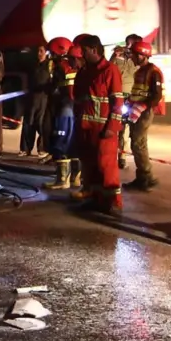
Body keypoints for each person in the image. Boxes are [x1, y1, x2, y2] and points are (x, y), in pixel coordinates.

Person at [73, 34, 125, 213]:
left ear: (94, 49)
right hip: (86, 128)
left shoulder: (110, 71)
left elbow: (117, 102)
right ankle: (96, 199)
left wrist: (112, 128)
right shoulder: (85, 71)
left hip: (103, 129)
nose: (82, 54)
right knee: (90, 166)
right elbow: (79, 99)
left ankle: (113, 203)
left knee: (107, 166)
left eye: (84, 51)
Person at [123, 41, 164, 191]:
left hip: (145, 111)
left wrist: (144, 106)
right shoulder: (139, 71)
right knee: (138, 142)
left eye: (134, 54)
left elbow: (156, 95)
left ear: (142, 55)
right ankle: (143, 177)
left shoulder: (153, 72)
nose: (132, 57)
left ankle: (147, 177)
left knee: (137, 143)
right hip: (136, 109)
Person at [43, 38, 79, 189]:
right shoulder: (77, 67)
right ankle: (75, 178)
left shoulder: (61, 67)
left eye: (52, 52)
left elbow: (54, 88)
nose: (51, 55)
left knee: (60, 140)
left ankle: (61, 180)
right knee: (73, 143)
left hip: (63, 107)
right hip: (75, 108)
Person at [19, 42, 55, 157]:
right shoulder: (32, 65)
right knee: (28, 123)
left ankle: (42, 149)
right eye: (38, 51)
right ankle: (25, 149)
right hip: (31, 97)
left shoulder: (50, 65)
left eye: (41, 51)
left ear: (46, 52)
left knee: (41, 124)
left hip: (43, 98)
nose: (39, 53)